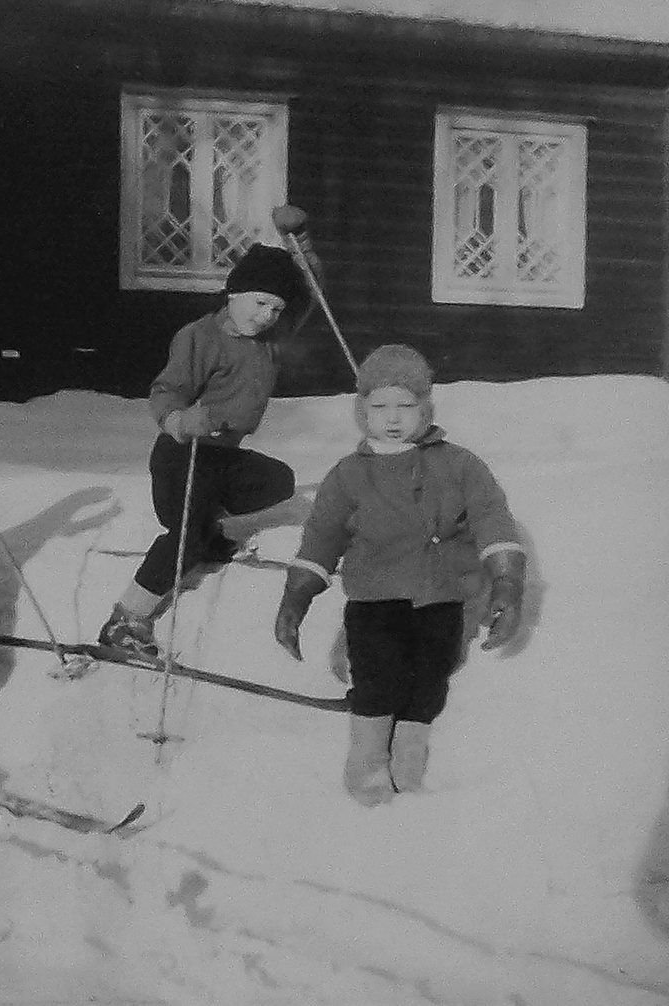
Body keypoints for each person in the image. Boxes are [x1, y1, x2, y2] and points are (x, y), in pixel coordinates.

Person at [273, 344, 525, 806]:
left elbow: (493, 518)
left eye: (407, 406)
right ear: (361, 411)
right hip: (375, 599)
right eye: (380, 406)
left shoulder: (459, 464)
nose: (393, 418)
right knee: (378, 676)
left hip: (441, 594)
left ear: (426, 408)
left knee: (431, 674)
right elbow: (321, 537)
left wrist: (506, 582)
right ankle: (368, 758)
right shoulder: (349, 475)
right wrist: (296, 599)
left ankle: (410, 750)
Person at [99, 241, 315, 655]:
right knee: (186, 535)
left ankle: (219, 531)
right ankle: (126, 618)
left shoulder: (267, 339)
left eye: (275, 308)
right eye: (259, 303)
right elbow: (166, 392)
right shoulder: (200, 337)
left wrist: (302, 249)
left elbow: (307, 299)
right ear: (234, 294)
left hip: (222, 457)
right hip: (183, 454)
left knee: (278, 479)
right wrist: (181, 421)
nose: (266, 315)